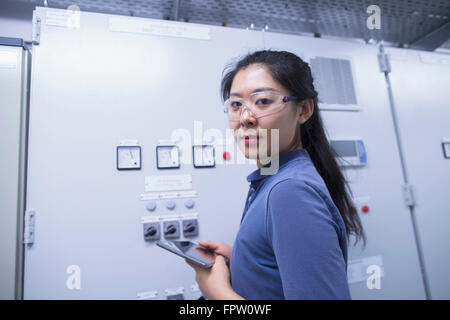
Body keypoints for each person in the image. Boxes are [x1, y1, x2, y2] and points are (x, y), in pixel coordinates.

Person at [185, 50, 365, 300]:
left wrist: (217, 292)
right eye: (236, 104)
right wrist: (245, 259)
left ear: (303, 110)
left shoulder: (290, 191)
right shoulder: (273, 179)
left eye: (263, 101)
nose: (245, 118)